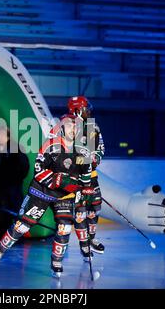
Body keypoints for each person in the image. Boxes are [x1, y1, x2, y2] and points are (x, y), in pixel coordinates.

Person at [0, 115, 95, 277]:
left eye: (75, 126)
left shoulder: (83, 151)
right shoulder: (50, 146)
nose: (73, 129)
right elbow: (38, 171)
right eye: (69, 125)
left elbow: (86, 174)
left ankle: (56, 262)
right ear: (61, 128)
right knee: (22, 226)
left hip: (64, 196)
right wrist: (59, 180)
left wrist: (86, 189)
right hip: (42, 192)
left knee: (65, 227)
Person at [50, 96, 105, 254]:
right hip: (73, 177)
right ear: (77, 110)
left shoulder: (93, 127)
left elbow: (100, 148)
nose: (89, 112)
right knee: (79, 209)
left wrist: (95, 158)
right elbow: (59, 152)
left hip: (90, 175)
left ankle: (91, 238)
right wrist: (83, 159)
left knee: (96, 205)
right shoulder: (64, 126)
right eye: (86, 109)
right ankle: (80, 244)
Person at [0, 126, 30, 233]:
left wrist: (14, 179)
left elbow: (24, 166)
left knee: (13, 210)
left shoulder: (16, 148)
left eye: (0, 134)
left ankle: (14, 235)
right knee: (0, 211)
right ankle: (1, 234)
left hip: (12, 187)